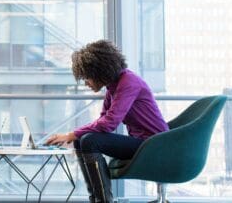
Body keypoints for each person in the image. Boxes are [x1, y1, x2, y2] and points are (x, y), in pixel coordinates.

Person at [46, 40, 169, 203]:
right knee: (81, 141)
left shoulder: (128, 83)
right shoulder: (114, 86)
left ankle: (104, 200)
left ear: (99, 71)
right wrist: (74, 136)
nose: (86, 83)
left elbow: (109, 123)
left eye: (87, 77)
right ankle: (96, 198)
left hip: (155, 145)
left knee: (88, 140)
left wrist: (71, 134)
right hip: (142, 143)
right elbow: (104, 119)